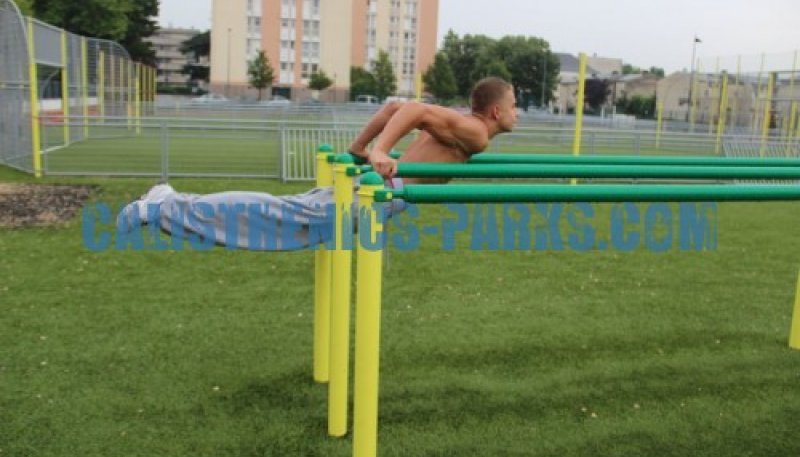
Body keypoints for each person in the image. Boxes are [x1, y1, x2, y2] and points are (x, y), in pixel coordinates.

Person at [116, 77, 518, 250]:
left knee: (279, 216)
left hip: (376, 192)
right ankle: (163, 205)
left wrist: (362, 147)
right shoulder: (477, 133)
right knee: (274, 218)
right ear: (497, 111)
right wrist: (379, 151)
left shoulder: (459, 124)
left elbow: (397, 107)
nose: (518, 114)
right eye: (515, 106)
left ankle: (168, 206)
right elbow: (410, 108)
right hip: (380, 196)